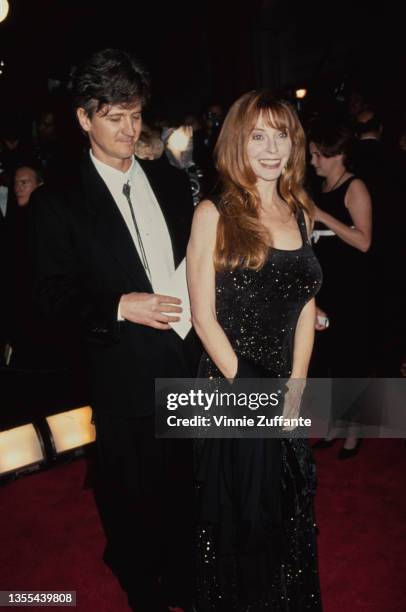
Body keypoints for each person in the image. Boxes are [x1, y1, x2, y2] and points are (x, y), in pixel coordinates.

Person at [33, 49, 198, 612]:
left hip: (187, 361)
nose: (130, 130)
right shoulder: (58, 203)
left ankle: (182, 576)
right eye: (115, 117)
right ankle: (141, 585)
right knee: (131, 495)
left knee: (185, 484)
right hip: (121, 370)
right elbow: (48, 300)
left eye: (136, 116)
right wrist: (119, 305)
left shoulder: (173, 186)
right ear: (84, 118)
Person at [187, 90, 323, 610]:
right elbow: (203, 316)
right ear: (237, 145)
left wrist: (297, 383)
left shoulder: (300, 210)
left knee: (288, 507)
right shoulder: (214, 213)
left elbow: (306, 303)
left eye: (281, 135)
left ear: (294, 143)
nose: (271, 148)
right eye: (257, 136)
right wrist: (254, 391)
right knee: (243, 520)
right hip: (231, 387)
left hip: (283, 385)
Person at [308, 119, 372, 458]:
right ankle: (335, 424)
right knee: (327, 360)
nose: (313, 161)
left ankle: (354, 431)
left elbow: (364, 242)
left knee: (350, 359)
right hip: (323, 286)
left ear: (338, 155)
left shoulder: (354, 187)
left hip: (350, 287)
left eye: (319, 155)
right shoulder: (318, 189)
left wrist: (323, 217)